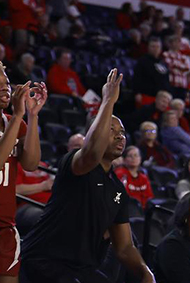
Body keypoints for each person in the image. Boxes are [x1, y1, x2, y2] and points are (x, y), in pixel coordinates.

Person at [20, 69, 155, 282]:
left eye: (122, 132)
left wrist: (145, 272)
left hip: (81, 270)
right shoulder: (75, 163)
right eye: (112, 130)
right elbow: (92, 153)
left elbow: (125, 247)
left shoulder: (117, 188)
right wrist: (108, 101)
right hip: (45, 261)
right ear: (93, 133)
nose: (120, 136)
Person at [0, 76, 44, 283]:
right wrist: (18, 115)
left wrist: (32, 116)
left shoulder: (15, 122)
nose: (4, 87)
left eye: (6, 82)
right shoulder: (15, 119)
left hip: (6, 224)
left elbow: (31, 164)